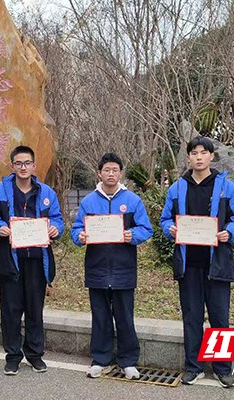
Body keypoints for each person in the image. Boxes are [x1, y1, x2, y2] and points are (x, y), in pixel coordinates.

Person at [160, 137, 234, 388]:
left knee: (220, 318)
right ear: (188, 158)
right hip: (189, 264)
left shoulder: (226, 187)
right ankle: (194, 366)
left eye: (204, 153)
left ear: (211, 156)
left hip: (217, 263)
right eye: (194, 153)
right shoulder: (177, 188)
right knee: (192, 317)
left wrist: (229, 233)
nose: (199, 157)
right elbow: (165, 220)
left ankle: (223, 369)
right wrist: (171, 229)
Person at [70, 153, 153, 380]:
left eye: (115, 170)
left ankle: (128, 361)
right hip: (96, 268)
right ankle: (101, 359)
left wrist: (131, 234)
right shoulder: (89, 202)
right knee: (100, 316)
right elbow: (75, 230)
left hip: (123, 268)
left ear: (121, 173)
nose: (111, 174)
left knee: (125, 316)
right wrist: (81, 236)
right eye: (107, 170)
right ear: (99, 173)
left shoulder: (133, 200)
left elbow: (146, 229)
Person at [0, 145, 64, 375]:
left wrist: (55, 229)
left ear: (33, 165)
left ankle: (35, 354)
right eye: (18, 163)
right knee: (10, 310)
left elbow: (57, 219)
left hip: (38, 259)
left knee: (34, 308)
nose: (23, 167)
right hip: (11, 259)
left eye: (27, 163)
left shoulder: (46, 192)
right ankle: (12, 356)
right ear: (12, 166)